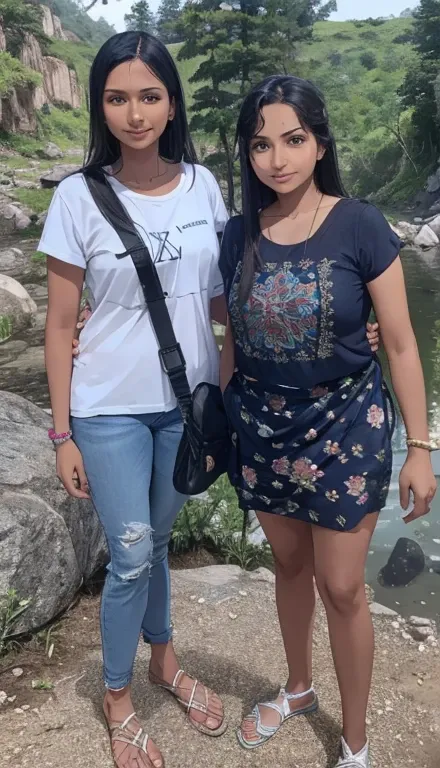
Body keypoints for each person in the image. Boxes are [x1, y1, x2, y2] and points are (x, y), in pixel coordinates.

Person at [218, 75, 437, 768]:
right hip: (262, 427)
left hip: (347, 426)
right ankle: (299, 688)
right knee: (288, 564)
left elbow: (401, 342)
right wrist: (224, 417)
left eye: (292, 139)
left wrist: (421, 446)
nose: (276, 158)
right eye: (260, 144)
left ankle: (357, 742)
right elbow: (232, 336)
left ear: (319, 142)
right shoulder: (237, 234)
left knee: (342, 586)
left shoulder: (361, 225)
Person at [41, 31, 229, 768]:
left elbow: (222, 303)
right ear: (99, 106)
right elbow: (60, 326)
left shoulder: (204, 185)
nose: (134, 112)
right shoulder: (78, 196)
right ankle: (118, 696)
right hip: (108, 407)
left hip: (185, 407)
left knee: (156, 544)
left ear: (171, 102)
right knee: (129, 554)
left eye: (149, 96)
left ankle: (165, 660)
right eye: (117, 98)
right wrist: (61, 436)